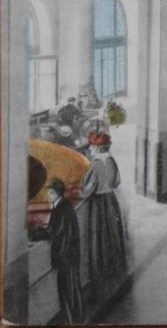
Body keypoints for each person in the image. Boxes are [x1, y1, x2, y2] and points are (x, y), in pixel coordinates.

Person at [80, 132, 127, 298]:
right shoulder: (111, 161)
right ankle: (115, 267)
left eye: (91, 146)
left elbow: (86, 191)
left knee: (98, 239)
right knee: (112, 234)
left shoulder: (95, 165)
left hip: (98, 205)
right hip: (111, 201)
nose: (90, 150)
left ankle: (100, 272)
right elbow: (116, 182)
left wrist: (79, 188)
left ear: (97, 147)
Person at [30, 180, 84, 324]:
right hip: (71, 255)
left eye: (49, 192)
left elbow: (54, 231)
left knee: (65, 292)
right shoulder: (65, 205)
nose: (47, 195)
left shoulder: (60, 209)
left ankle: (70, 321)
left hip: (64, 256)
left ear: (55, 193)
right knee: (74, 290)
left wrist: (34, 233)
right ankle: (76, 320)